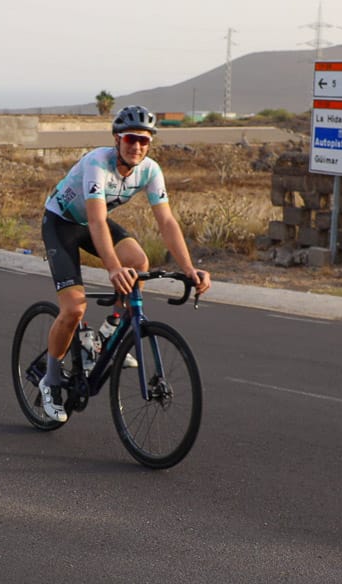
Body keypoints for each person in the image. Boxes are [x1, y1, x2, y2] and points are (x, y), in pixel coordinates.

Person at [35, 105, 211, 423]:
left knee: (139, 261)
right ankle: (49, 381)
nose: (137, 146)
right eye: (131, 139)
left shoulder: (150, 170)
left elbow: (167, 221)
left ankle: (112, 328)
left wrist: (188, 268)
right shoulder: (97, 163)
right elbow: (96, 219)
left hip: (93, 224)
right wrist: (113, 267)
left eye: (144, 141)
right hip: (61, 224)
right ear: (117, 139)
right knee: (74, 309)